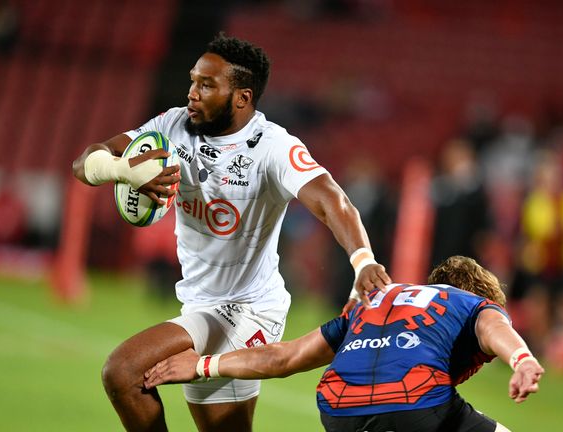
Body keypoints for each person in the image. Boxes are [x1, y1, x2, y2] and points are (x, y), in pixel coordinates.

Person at [71, 32, 391, 431]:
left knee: (122, 371)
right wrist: (122, 170)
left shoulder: (271, 146)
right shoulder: (172, 126)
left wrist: (363, 261)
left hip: (249, 308)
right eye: (193, 80)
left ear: (242, 96)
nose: (192, 93)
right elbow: (84, 163)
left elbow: (332, 200)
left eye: (207, 85)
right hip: (200, 303)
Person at [144, 256, 545, 432]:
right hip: (416, 400)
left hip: (339, 409)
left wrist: (201, 366)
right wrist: (522, 359)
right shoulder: (472, 303)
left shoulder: (373, 303)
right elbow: (493, 328)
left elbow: (287, 356)